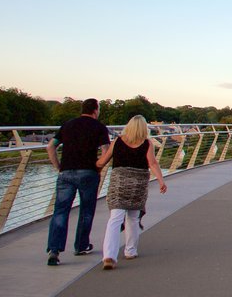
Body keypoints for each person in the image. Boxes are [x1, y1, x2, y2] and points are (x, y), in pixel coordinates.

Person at [95, 115, 167, 270]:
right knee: (133, 217)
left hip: (119, 183)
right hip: (138, 184)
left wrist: (92, 166)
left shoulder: (118, 141)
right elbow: (152, 163)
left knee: (115, 218)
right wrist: (161, 180)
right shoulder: (147, 143)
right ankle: (130, 251)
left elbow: (103, 161)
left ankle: (109, 256)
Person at [45, 98, 110, 266]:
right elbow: (106, 151)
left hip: (66, 172)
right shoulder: (99, 127)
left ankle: (54, 250)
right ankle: (81, 245)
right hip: (88, 172)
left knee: (60, 211)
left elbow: (51, 146)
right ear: (95, 110)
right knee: (86, 211)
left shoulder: (68, 124)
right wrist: (98, 168)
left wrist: (58, 166)